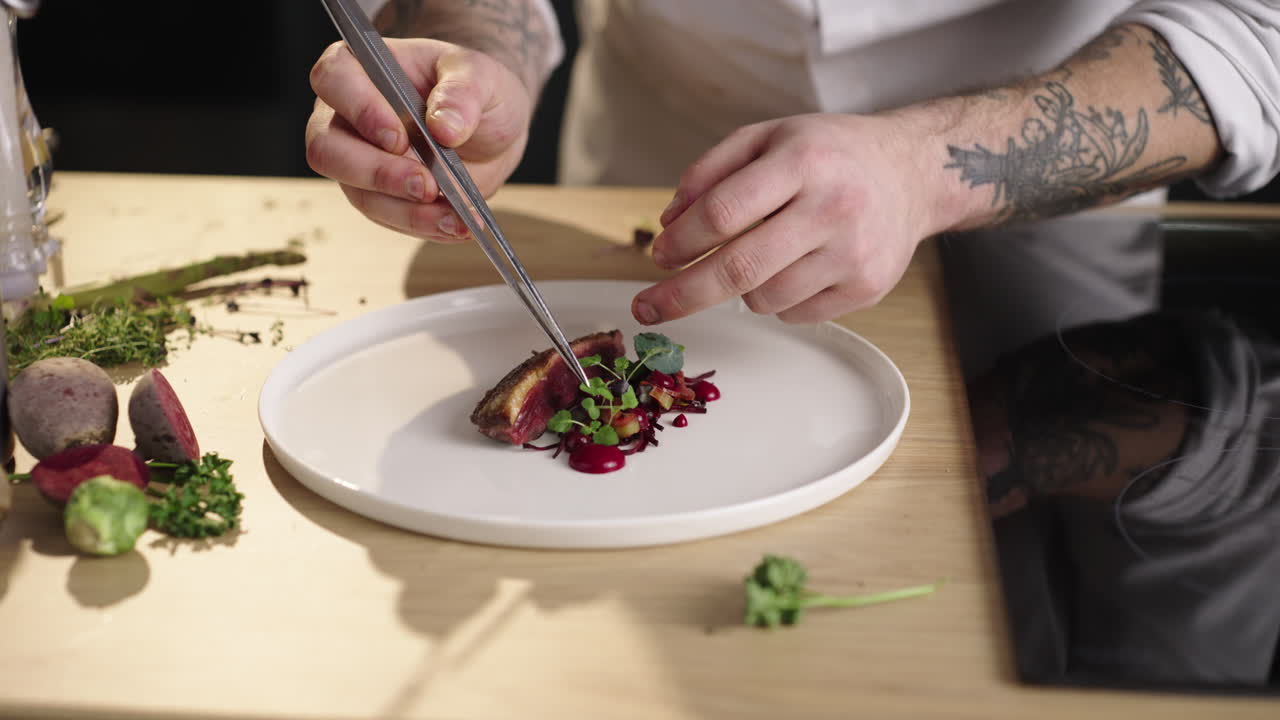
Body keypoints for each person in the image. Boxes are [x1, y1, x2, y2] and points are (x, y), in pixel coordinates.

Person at [305, 1, 1280, 327]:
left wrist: (916, 167)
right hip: (647, 178)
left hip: (1039, 219)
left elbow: (1254, 28)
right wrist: (477, 55)